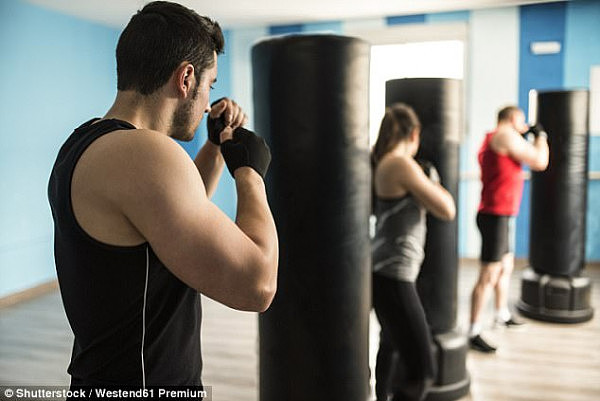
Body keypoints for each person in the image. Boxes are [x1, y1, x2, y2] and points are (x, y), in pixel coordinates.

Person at [47, 1, 278, 387]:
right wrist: (251, 172)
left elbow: (175, 219)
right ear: (186, 78)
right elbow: (258, 286)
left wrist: (217, 147)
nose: (207, 104)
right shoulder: (145, 154)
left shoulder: (84, 143)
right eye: (210, 86)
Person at [371, 103, 456, 401]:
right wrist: (431, 178)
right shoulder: (401, 164)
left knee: (390, 345)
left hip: (384, 271)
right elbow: (447, 209)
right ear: (414, 133)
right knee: (423, 370)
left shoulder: (385, 161)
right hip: (394, 276)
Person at [468, 105, 549, 353]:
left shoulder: (499, 137)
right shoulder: (504, 134)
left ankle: (501, 314)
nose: (523, 125)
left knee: (505, 266)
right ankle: (473, 330)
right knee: (489, 274)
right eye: (522, 120)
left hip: (502, 214)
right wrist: (541, 135)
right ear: (514, 118)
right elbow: (540, 161)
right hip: (495, 215)